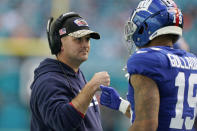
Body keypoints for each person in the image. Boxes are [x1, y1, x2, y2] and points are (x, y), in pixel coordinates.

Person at [99, 0, 197, 130]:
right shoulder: (192, 60)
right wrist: (121, 105)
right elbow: (165, 114)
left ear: (146, 27)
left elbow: (146, 125)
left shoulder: (146, 59)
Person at [30, 12, 110, 131]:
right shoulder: (48, 81)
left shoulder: (77, 74)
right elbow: (62, 122)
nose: (85, 45)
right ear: (60, 43)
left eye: (87, 39)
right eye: (78, 39)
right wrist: (91, 87)